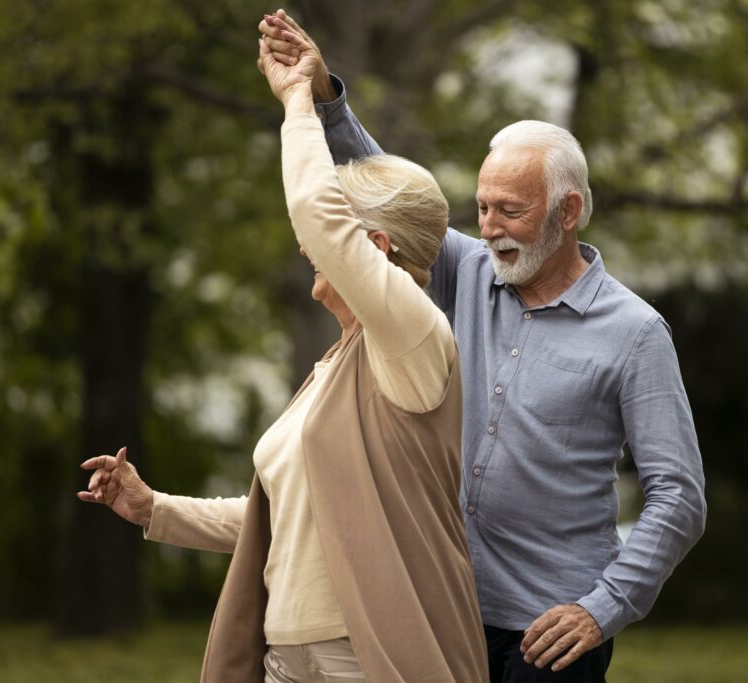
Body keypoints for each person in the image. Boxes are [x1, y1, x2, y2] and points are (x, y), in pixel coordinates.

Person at [259, 11, 707, 683]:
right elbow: (386, 203)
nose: (491, 228)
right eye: (483, 208)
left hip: (548, 635)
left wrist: (604, 606)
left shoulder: (635, 332)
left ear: (568, 211)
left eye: (511, 211)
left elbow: (679, 495)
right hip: (444, 609)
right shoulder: (467, 270)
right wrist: (323, 100)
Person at [77, 29, 487, 683]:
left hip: (369, 657)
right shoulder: (334, 365)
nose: (309, 249)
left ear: (375, 249)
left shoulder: (415, 336)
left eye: (334, 241)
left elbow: (316, 213)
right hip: (287, 656)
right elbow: (290, 511)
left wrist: (300, 101)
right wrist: (154, 506)